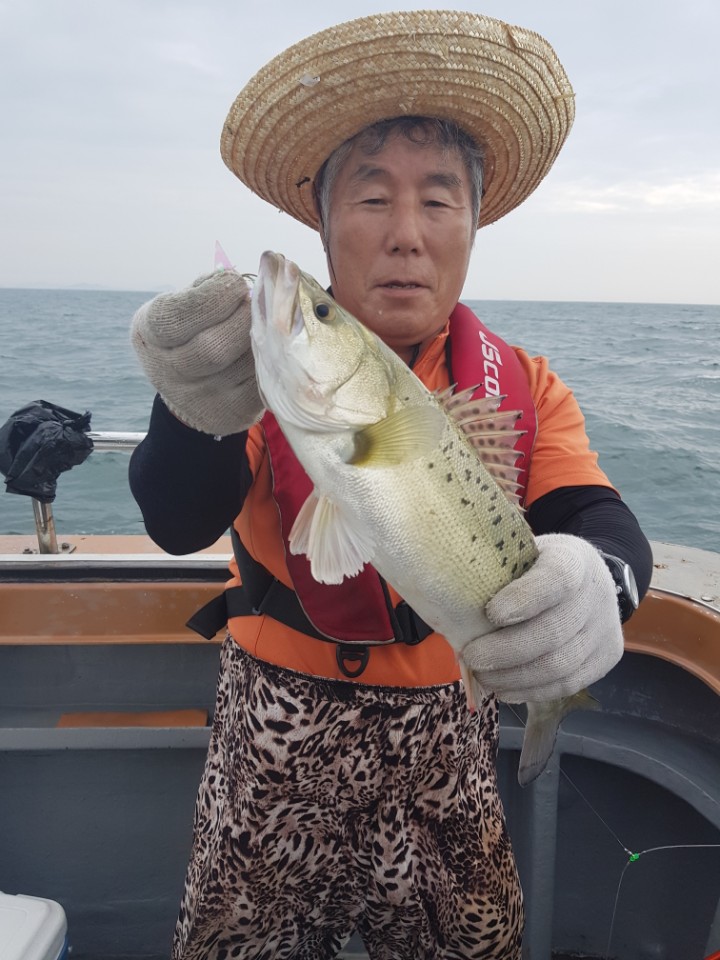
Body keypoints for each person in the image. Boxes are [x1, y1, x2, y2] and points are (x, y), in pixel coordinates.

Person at [129, 11, 653, 960]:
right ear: (323, 224)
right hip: (271, 737)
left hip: (450, 739)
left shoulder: (526, 387)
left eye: (440, 202)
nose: (407, 236)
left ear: (473, 227)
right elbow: (176, 518)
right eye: (371, 198)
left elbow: (596, 518)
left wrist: (600, 583)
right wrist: (188, 411)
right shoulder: (264, 376)